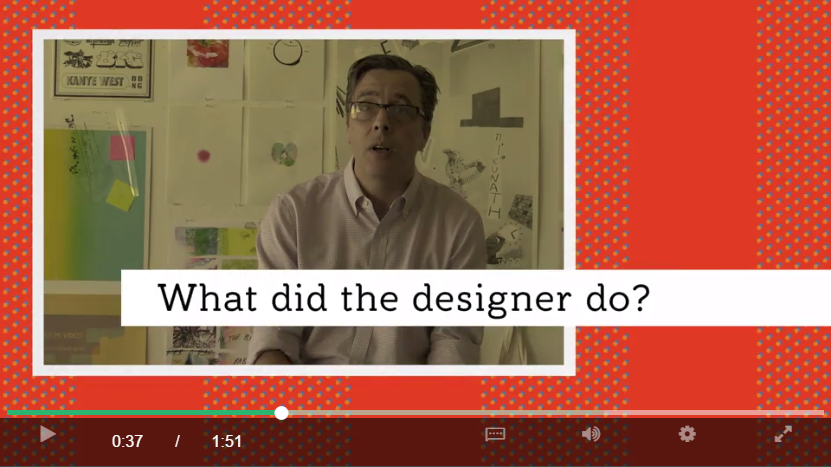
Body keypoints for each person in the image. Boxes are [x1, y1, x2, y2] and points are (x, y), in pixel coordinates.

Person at [248, 54, 486, 365]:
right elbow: (274, 337)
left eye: (401, 110)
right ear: (348, 126)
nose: (381, 122)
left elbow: (453, 345)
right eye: (365, 106)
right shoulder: (293, 213)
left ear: (425, 133)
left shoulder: (459, 224)